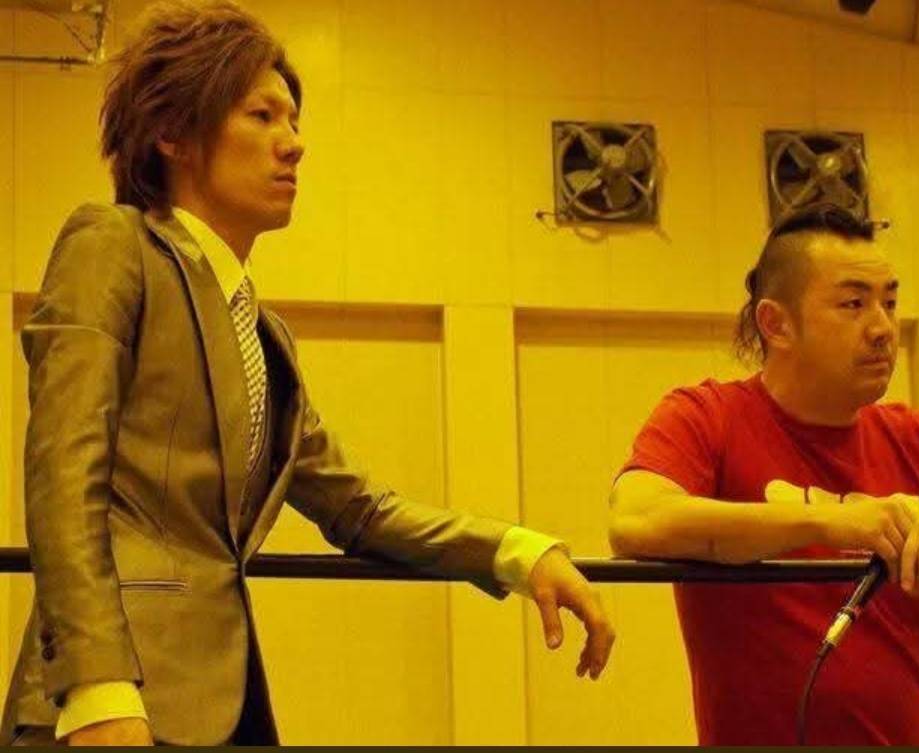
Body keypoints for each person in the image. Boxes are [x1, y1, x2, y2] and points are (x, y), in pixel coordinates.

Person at [1, 1, 613, 745]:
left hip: (216, 705)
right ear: (172, 134)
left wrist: (518, 552)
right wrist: (95, 683)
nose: (293, 144)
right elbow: (63, 467)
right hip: (107, 704)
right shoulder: (112, 243)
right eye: (261, 116)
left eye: (293, 121)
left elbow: (359, 509)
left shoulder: (264, 335)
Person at [608, 205, 919, 745]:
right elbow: (636, 519)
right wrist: (831, 523)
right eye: (853, 304)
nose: (882, 329)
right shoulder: (707, 415)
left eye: (889, 303)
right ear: (776, 324)